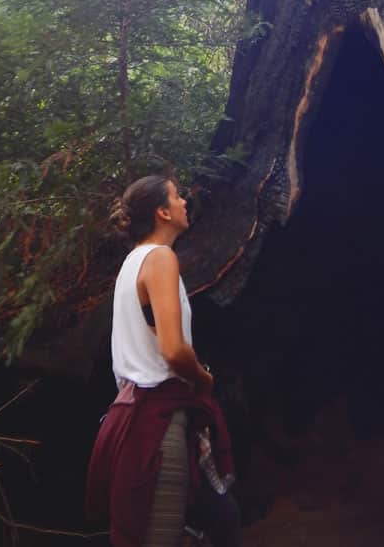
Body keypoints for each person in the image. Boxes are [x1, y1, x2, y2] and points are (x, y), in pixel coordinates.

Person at [86, 175, 241, 547]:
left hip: (138, 414)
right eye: (177, 197)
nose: (184, 202)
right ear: (162, 212)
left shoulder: (131, 264)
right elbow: (172, 350)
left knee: (222, 518)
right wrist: (203, 379)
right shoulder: (160, 258)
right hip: (157, 423)